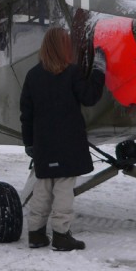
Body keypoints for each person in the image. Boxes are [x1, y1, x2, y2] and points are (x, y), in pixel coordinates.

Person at [20, 27, 106, 251]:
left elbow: (26, 114)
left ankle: (36, 234)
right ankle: (61, 235)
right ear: (64, 47)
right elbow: (89, 97)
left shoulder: (32, 75)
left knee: (43, 188)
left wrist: (29, 143)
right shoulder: (72, 73)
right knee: (63, 190)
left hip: (44, 145)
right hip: (68, 144)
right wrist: (99, 69)